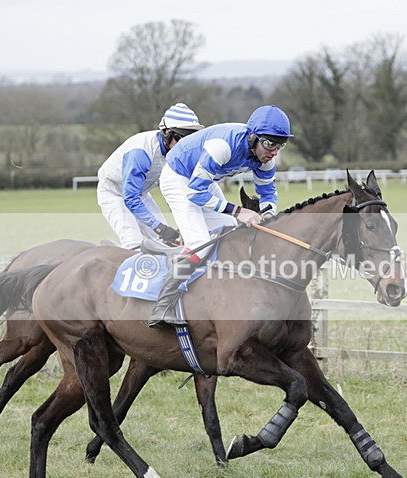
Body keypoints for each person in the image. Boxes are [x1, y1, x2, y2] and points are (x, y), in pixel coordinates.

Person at [148, 104, 293, 328]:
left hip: (203, 180)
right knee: (201, 242)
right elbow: (195, 192)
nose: (274, 151)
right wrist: (238, 210)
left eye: (279, 145)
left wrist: (268, 213)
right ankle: (163, 305)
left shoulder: (266, 157)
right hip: (179, 178)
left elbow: (267, 193)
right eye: (269, 144)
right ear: (252, 137)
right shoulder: (223, 147)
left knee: (230, 233)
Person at [96, 103, 204, 249]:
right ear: (166, 132)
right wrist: (160, 229)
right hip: (114, 194)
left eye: (190, 139)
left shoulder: (174, 151)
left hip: (141, 194)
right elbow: (131, 199)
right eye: (181, 138)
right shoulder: (140, 153)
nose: (184, 144)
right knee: (133, 243)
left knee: (166, 243)